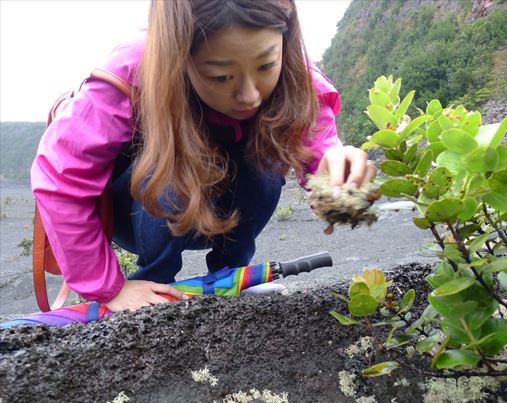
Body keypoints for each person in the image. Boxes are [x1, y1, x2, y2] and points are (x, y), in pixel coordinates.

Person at [31, 0, 376, 313]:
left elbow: (315, 138)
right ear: (182, 56)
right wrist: (109, 288)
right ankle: (155, 287)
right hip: (140, 208)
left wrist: (332, 169)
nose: (249, 94)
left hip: (219, 208)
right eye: (221, 76)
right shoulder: (132, 70)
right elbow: (60, 176)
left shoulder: (289, 67)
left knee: (264, 161)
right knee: (169, 162)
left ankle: (232, 275)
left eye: (265, 66)